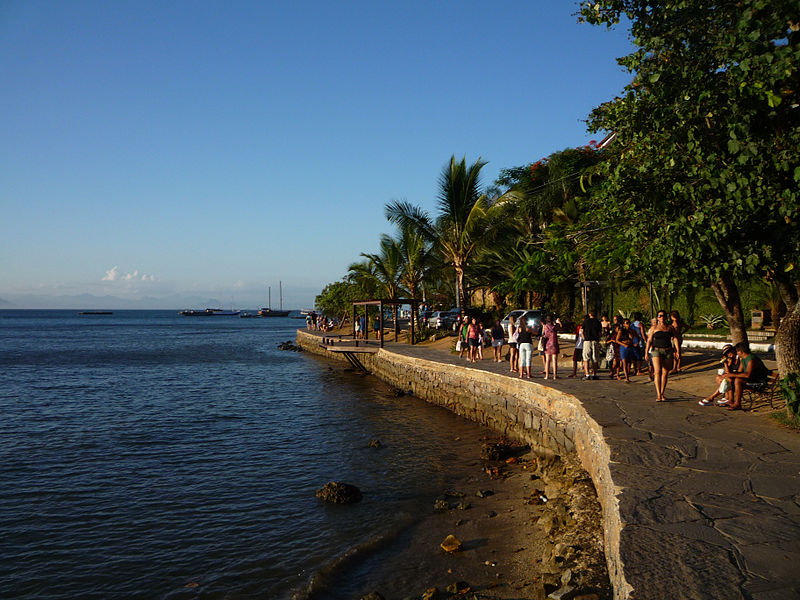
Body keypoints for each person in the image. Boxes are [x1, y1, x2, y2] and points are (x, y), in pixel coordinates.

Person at [720, 342, 770, 411]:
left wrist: (732, 374)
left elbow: (747, 374)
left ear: (741, 351)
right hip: (751, 379)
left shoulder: (751, 359)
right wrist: (729, 374)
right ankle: (730, 400)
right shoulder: (743, 359)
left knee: (738, 380)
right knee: (730, 379)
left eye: (737, 351)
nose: (737, 353)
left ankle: (737, 404)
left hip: (759, 381)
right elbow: (740, 372)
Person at [644, 310, 681, 402]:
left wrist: (677, 351)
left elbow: (675, 338)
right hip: (656, 350)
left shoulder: (670, 328)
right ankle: (658, 394)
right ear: (657, 317)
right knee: (657, 371)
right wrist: (646, 352)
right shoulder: (654, 327)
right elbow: (649, 340)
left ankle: (662, 393)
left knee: (665, 372)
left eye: (663, 316)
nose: (662, 317)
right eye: (660, 316)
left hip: (668, 350)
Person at [582, 310, 602, 380]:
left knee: (586, 358)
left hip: (587, 341)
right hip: (595, 341)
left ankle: (587, 374)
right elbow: (600, 333)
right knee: (595, 358)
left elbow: (582, 331)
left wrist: (584, 338)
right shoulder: (598, 322)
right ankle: (594, 374)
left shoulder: (585, 321)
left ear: (590, 314)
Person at [541, 315, 562, 380]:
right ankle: (555, 376)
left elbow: (545, 335)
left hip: (547, 344)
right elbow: (561, 327)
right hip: (554, 344)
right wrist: (558, 321)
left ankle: (547, 375)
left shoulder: (546, 326)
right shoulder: (555, 327)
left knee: (547, 360)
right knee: (554, 360)